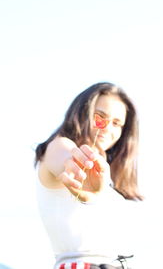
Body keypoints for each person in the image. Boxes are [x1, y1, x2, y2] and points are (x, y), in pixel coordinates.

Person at [35, 82, 143, 269]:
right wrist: (76, 170)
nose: (108, 127)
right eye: (100, 116)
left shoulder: (106, 177)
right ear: (80, 113)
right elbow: (64, 157)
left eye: (117, 123)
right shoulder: (58, 147)